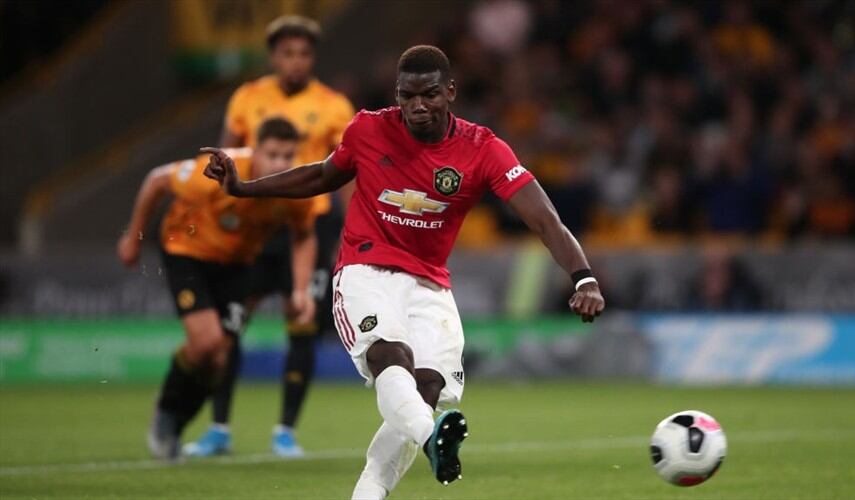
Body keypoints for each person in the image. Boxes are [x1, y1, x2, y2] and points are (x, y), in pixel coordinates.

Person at [202, 45, 605, 498]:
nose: (417, 106)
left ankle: (382, 481)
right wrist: (244, 187)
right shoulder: (368, 129)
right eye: (406, 95)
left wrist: (583, 277)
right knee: (389, 356)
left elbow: (544, 219)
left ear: (450, 92)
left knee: (426, 388)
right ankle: (431, 437)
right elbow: (322, 175)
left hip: (430, 282)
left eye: (429, 94)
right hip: (364, 269)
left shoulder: (483, 149)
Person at [185, 15, 355, 458]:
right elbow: (223, 158)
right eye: (287, 53)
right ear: (273, 56)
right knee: (229, 326)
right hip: (253, 227)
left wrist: (352, 228)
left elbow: (350, 171)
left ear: (313, 57)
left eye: (304, 53)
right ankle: (219, 428)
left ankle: (285, 432)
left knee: (302, 322)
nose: (296, 61)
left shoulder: (335, 106)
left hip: (308, 226)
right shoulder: (248, 97)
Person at [117, 118, 326, 460]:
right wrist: (133, 237)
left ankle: (177, 421)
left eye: (288, 156)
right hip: (187, 252)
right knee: (207, 342)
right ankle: (167, 412)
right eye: (272, 155)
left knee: (218, 360)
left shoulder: (292, 190)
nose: (280, 164)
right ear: (254, 150)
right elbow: (156, 180)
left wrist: (301, 290)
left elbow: (304, 235)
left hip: (237, 265)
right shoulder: (216, 172)